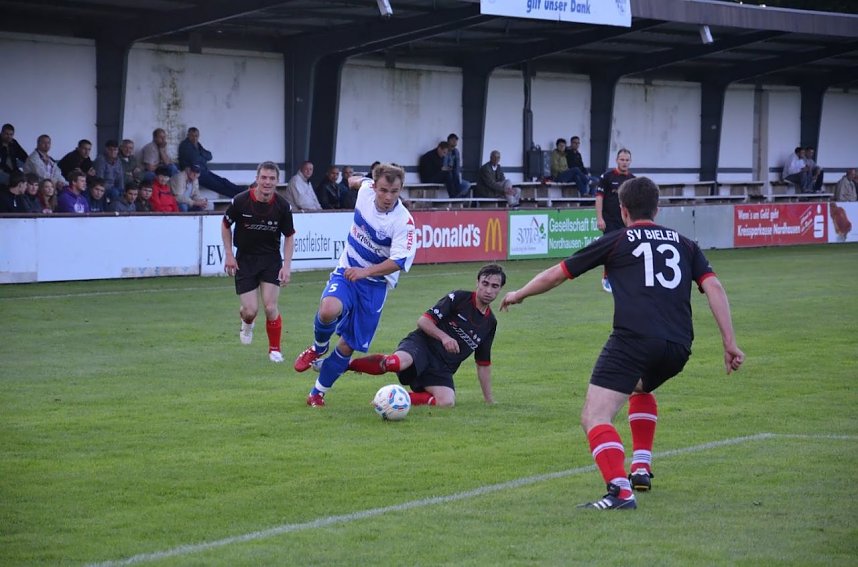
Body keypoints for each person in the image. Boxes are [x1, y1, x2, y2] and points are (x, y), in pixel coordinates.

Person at [500, 176, 744, 511]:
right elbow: (714, 288)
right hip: (677, 347)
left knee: (595, 416)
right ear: (657, 209)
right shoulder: (687, 244)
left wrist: (519, 294)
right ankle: (640, 466)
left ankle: (619, 491)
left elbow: (558, 273)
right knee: (640, 389)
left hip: (633, 340)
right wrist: (729, 343)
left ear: (623, 210)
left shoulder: (617, 240)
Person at [293, 163, 417, 408]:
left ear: (400, 189)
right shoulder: (366, 189)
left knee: (348, 345)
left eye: (394, 191)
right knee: (328, 309)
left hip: (374, 285)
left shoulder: (404, 222)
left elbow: (398, 261)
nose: (388, 197)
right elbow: (357, 181)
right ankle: (318, 348)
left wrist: (366, 272)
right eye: (383, 190)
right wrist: (356, 180)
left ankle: (316, 394)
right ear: (375, 185)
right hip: (348, 270)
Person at [347, 264, 505, 407]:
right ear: (477, 282)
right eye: (485, 284)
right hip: (421, 346)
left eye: (494, 286)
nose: (489, 290)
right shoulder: (459, 298)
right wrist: (444, 337)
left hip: (442, 368)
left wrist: (489, 399)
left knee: (446, 401)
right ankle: (347, 364)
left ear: (500, 289)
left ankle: (389, 400)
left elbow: (483, 363)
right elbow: (423, 321)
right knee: (395, 363)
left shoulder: (490, 323)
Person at [221, 161, 295, 363]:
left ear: (277, 181)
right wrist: (229, 254)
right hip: (245, 259)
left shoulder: (282, 206)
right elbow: (225, 225)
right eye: (264, 177)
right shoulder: (240, 201)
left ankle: (275, 349)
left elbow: (289, 236)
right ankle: (247, 322)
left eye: (272, 178)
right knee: (250, 310)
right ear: (257, 178)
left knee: (270, 307)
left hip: (271, 259)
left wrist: (286, 265)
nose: (267, 182)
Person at [596, 148, 635, 293]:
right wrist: (599, 218)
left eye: (627, 160)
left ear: (630, 161)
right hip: (610, 220)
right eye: (622, 160)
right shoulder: (607, 177)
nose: (624, 162)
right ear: (617, 160)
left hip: (627, 221)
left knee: (628, 249)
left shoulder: (633, 180)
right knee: (610, 250)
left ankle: (625, 277)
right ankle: (607, 278)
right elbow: (599, 197)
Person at [177, 126, 242, 198]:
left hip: (204, 171)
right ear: (188, 135)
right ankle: (240, 197)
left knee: (223, 181)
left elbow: (209, 156)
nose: (194, 138)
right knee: (219, 186)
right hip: (196, 174)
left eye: (196, 136)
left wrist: (200, 153)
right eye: (192, 136)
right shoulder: (185, 145)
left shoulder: (197, 145)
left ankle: (243, 191)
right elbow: (194, 160)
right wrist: (202, 157)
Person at [443, 133, 472, 198]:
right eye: (453, 140)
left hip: (455, 176)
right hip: (446, 176)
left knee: (467, 185)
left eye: (456, 140)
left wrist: (458, 175)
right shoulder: (445, 150)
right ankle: (454, 198)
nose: (455, 142)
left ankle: (460, 202)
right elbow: (443, 166)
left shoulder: (456, 151)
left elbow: (457, 166)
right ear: (448, 140)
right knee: (452, 180)